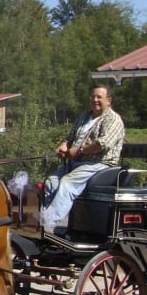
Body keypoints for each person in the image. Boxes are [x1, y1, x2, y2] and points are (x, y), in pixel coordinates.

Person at [39, 85, 126, 231]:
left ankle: (47, 224)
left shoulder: (113, 119)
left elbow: (102, 144)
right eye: (92, 97)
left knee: (67, 183)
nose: (95, 100)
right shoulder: (84, 117)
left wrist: (78, 151)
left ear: (109, 100)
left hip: (100, 164)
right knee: (50, 182)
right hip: (77, 162)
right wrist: (64, 146)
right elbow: (69, 137)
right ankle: (43, 220)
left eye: (99, 97)